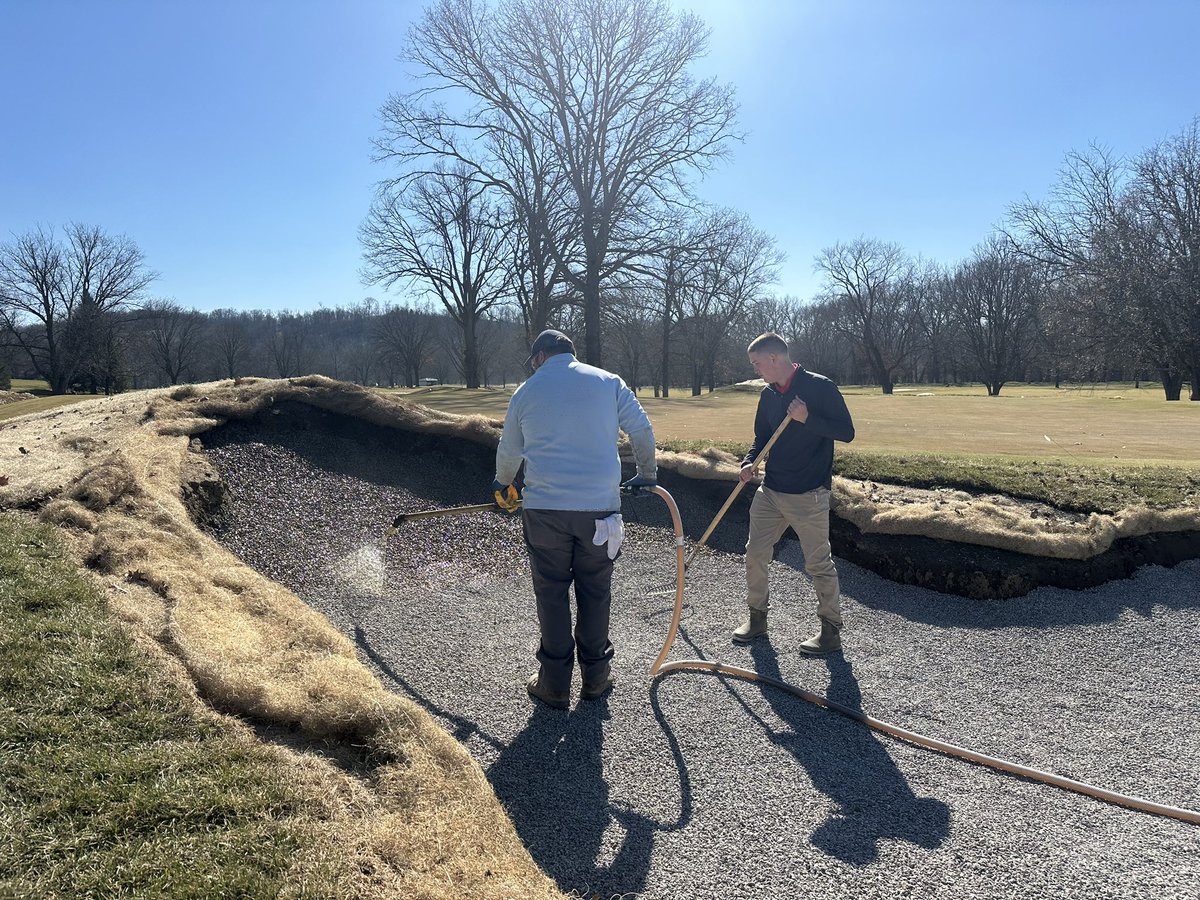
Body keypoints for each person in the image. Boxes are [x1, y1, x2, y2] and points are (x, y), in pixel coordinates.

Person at [494, 329, 657, 709]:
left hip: (545, 510)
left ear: (539, 357)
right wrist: (647, 474)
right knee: (595, 590)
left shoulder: (526, 391)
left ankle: (554, 683)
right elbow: (641, 430)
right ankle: (596, 678)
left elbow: (509, 450)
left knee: (551, 592)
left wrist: (502, 484)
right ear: (571, 353)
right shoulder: (608, 381)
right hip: (601, 510)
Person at [732, 332, 855, 654]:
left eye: (757, 363)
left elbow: (846, 432)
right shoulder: (768, 395)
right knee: (755, 554)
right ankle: (757, 619)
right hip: (771, 490)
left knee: (817, 564)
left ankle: (830, 632)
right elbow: (761, 438)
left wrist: (807, 418)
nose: (756, 369)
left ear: (775, 358)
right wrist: (750, 462)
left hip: (808, 493)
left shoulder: (819, 387)